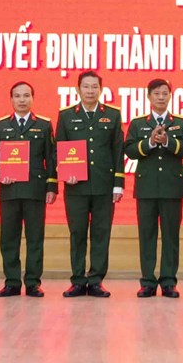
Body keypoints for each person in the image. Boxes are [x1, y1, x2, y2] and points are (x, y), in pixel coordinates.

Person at [55, 71, 124, 298]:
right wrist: (66, 173)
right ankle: (77, 280)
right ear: (78, 90)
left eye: (95, 87)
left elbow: (117, 151)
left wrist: (118, 184)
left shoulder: (112, 115)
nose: (90, 91)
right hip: (76, 187)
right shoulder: (66, 116)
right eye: (86, 87)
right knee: (77, 233)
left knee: (101, 233)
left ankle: (96, 280)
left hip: (104, 186)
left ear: (100, 90)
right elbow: (60, 149)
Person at [125, 79, 183, 298]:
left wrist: (168, 142)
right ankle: (147, 282)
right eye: (157, 94)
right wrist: (151, 143)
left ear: (170, 97)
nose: (161, 97)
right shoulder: (138, 123)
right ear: (149, 97)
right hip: (146, 188)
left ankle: (168, 282)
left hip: (173, 188)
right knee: (147, 235)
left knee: (171, 236)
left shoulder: (181, 122)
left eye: (165, 94)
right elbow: (129, 150)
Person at [0, 82, 58, 298]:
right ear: (11, 99)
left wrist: (52, 187)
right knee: (9, 238)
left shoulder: (44, 125)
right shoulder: (0, 126)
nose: (22, 100)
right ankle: (11, 282)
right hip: (9, 191)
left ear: (32, 98)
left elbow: (51, 159)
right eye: (17, 96)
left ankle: (33, 283)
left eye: (26, 95)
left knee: (35, 238)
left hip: (35, 190)